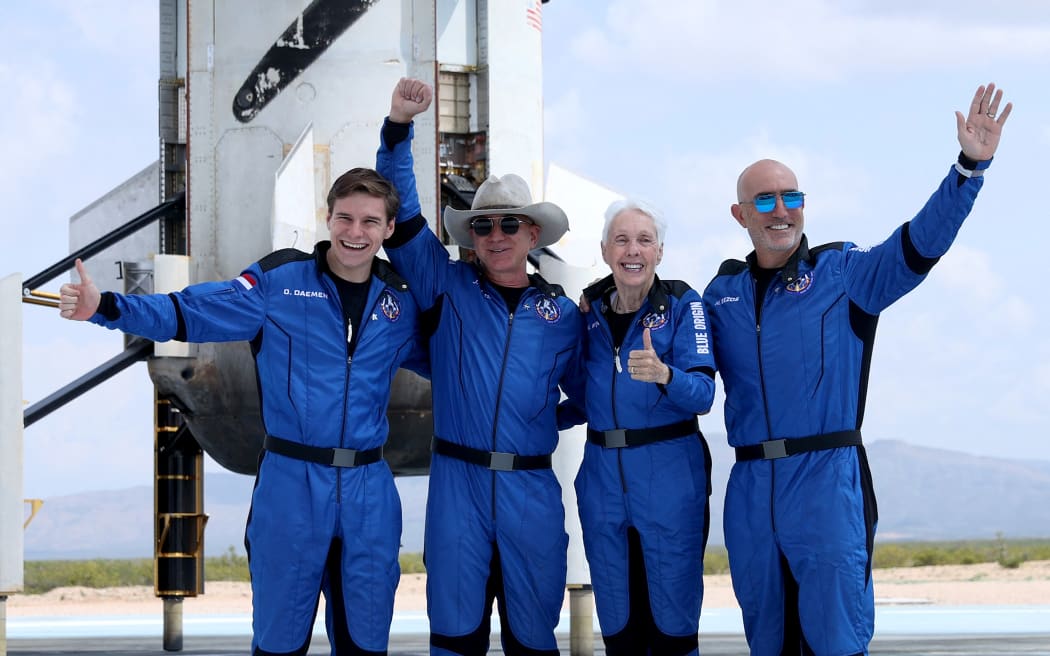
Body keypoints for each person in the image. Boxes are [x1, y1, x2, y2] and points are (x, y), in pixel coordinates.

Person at [59, 168, 426, 655]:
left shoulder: (401, 303)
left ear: (389, 228)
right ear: (328, 218)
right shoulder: (278, 283)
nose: (354, 232)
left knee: (366, 644)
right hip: (291, 487)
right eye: (345, 218)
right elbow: (189, 311)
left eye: (369, 221)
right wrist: (107, 307)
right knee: (278, 643)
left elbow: (463, 364)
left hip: (369, 493)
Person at [701, 83, 1013, 655]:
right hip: (748, 490)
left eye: (791, 197)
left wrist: (969, 169)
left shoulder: (846, 274)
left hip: (826, 484)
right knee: (767, 642)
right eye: (765, 201)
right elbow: (681, 365)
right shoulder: (721, 295)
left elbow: (918, 245)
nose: (781, 211)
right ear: (739, 214)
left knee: (838, 641)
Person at [375, 78, 586, 655]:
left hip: (531, 489)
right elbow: (404, 216)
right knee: (454, 637)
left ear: (533, 234)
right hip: (457, 489)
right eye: (484, 225)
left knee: (533, 640)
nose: (496, 236)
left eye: (509, 224)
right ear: (471, 235)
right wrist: (398, 127)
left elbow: (592, 394)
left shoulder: (565, 316)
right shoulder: (444, 286)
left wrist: (544, 419)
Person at [576, 199, 717, 655]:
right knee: (619, 628)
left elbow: (704, 395)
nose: (632, 250)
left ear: (659, 251)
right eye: (621, 240)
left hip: (670, 482)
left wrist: (664, 375)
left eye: (644, 240)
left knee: (672, 628)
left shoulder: (683, 305)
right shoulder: (589, 311)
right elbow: (585, 397)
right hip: (602, 485)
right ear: (605, 251)